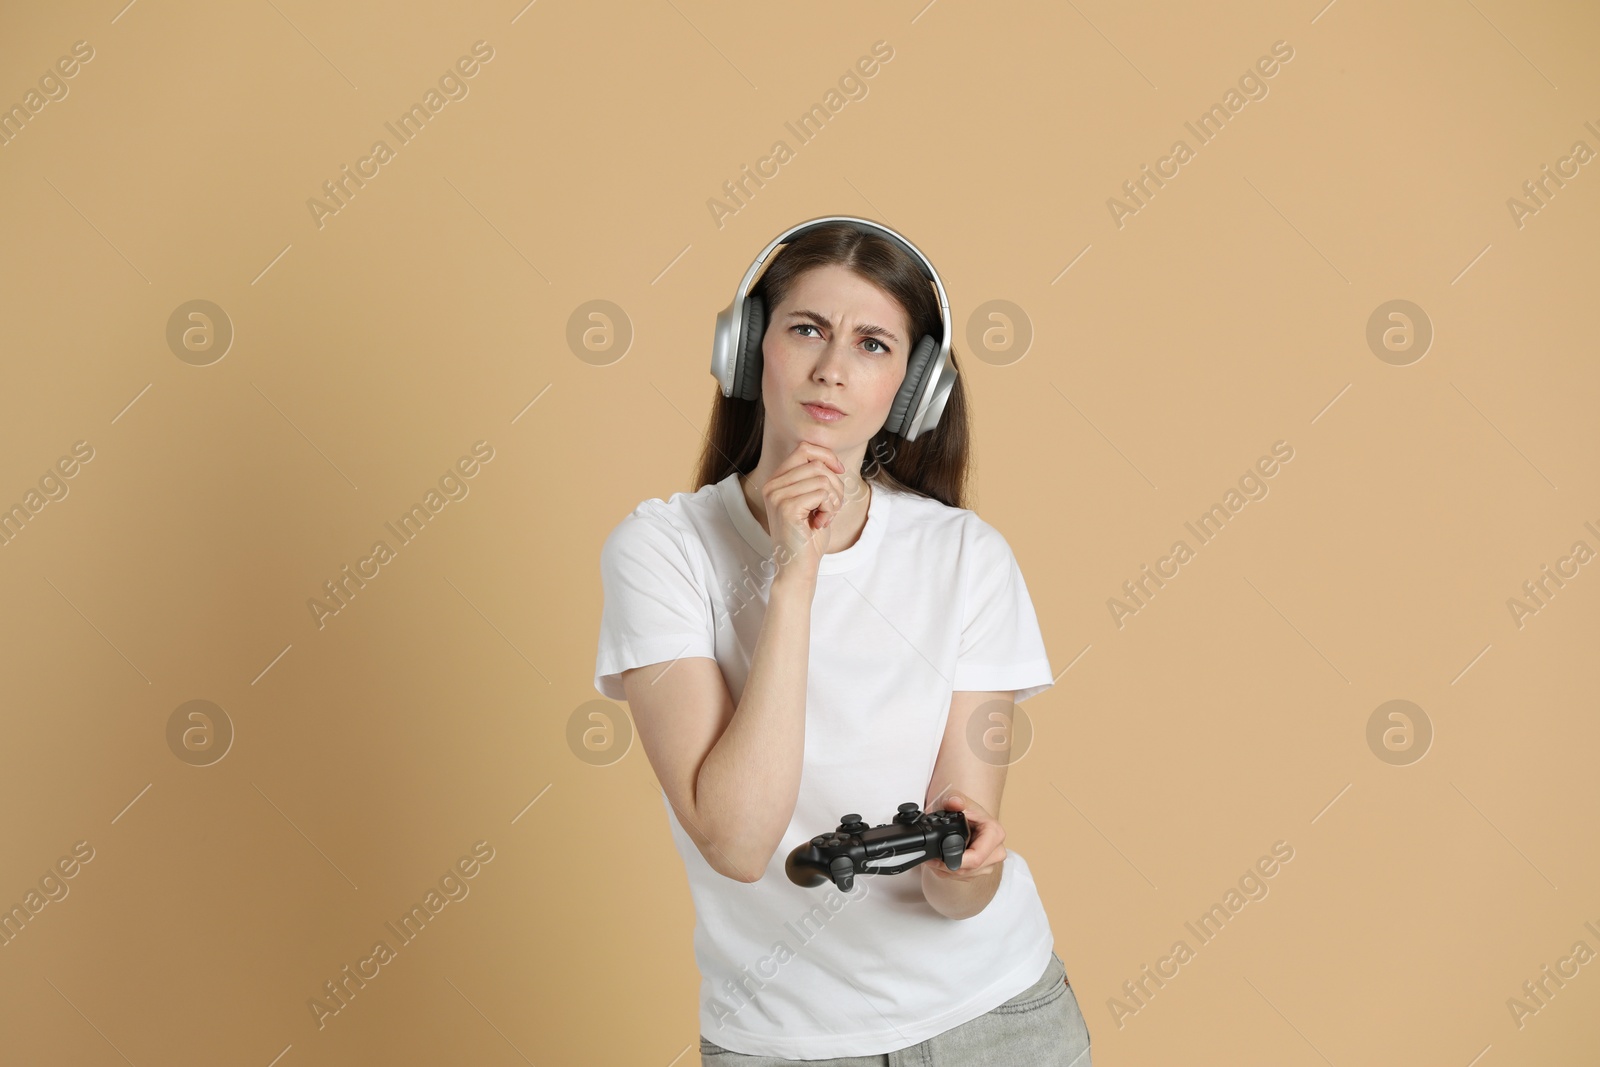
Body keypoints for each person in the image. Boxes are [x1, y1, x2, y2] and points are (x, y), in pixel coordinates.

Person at [593, 219, 1092, 1065]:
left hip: (998, 1019)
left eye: (871, 343)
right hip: (787, 1043)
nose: (832, 368)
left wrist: (968, 868)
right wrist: (795, 576)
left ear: (912, 385)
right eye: (806, 330)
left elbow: (955, 878)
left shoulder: (967, 558)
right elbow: (739, 840)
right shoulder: (661, 551)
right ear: (750, 347)